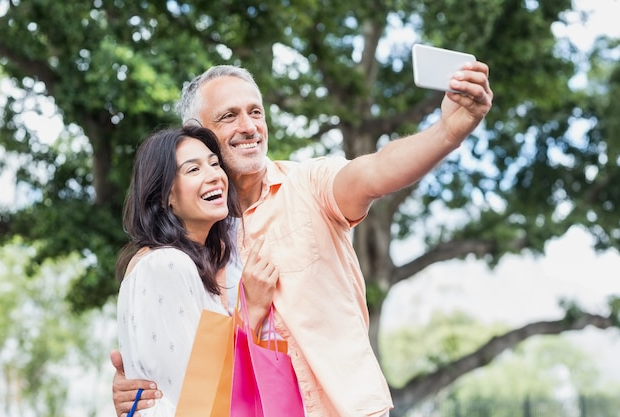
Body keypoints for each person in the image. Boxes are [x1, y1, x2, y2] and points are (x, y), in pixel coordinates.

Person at [112, 60, 493, 417]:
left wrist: (447, 132)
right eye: (229, 116)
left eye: (255, 112)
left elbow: (376, 172)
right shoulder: (195, 245)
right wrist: (148, 389)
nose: (248, 126)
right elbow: (189, 371)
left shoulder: (309, 184)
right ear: (197, 134)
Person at [116, 125, 280, 416]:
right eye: (193, 170)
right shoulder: (166, 264)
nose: (215, 175)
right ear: (164, 196)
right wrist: (252, 309)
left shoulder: (177, 264)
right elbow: (198, 395)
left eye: (215, 164)